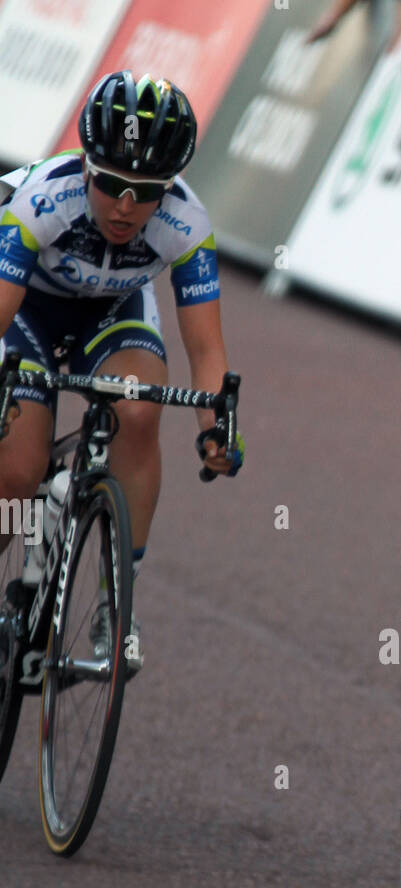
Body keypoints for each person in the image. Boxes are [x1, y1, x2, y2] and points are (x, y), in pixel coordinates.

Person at [0, 71, 243, 670]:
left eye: (148, 190)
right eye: (111, 185)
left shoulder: (188, 223)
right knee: (19, 468)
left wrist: (217, 430)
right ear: (87, 166)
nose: (127, 206)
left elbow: (207, 353)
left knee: (139, 407)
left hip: (110, 312)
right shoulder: (40, 201)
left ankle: (115, 597)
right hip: (25, 306)